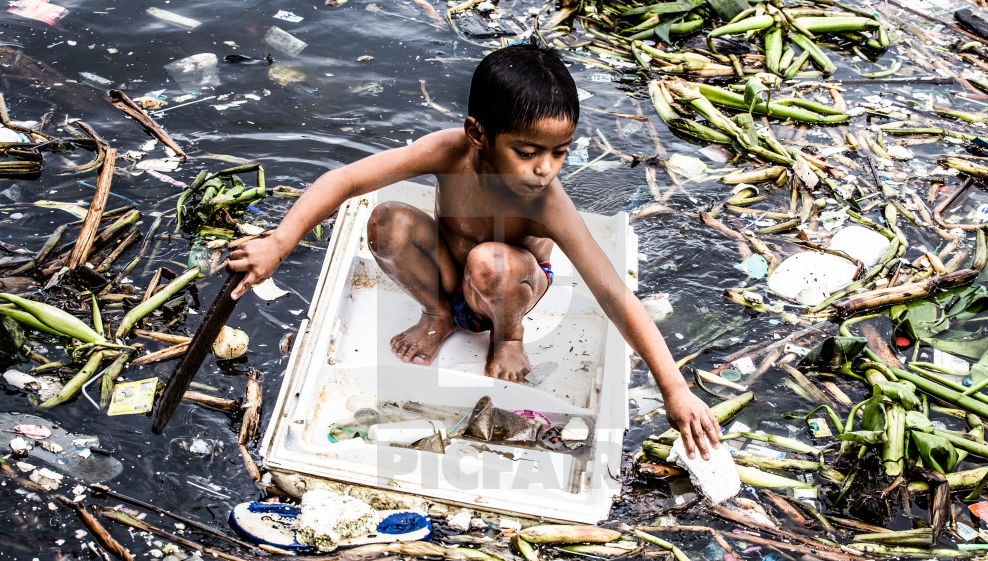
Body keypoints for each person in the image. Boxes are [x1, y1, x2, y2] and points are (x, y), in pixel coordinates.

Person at [227, 43, 721, 458]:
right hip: (452, 268)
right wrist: (278, 242)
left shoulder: (546, 201)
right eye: (527, 152)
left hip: (510, 284)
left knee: (491, 261)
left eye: (559, 151)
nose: (545, 169)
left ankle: (507, 338)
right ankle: (440, 313)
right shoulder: (448, 152)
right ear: (478, 134)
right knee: (387, 221)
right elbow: (347, 179)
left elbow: (614, 293)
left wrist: (674, 388)